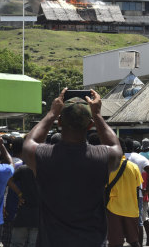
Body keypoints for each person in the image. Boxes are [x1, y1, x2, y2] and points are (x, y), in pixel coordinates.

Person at [22, 88, 122, 247]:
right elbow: (116, 147)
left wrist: (52, 113)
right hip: (92, 241)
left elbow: (28, 144)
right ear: (89, 125)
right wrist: (97, 115)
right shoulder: (102, 156)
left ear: (60, 122)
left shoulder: (43, 156)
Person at [105, 138, 142, 247]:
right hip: (132, 210)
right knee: (134, 241)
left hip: (113, 209)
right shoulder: (134, 167)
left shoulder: (108, 167)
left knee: (115, 243)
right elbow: (137, 187)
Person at [124, 137, 149, 246]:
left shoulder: (117, 157)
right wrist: (148, 190)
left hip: (119, 194)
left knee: (119, 221)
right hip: (137, 194)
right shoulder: (140, 158)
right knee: (139, 222)